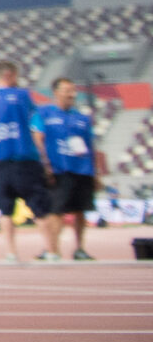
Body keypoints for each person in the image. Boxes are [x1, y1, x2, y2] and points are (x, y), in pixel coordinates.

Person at [0, 59, 50, 263]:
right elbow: (35, 119)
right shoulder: (22, 95)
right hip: (24, 157)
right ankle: (50, 249)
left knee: (5, 209)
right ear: (10, 75)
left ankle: (10, 252)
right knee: (39, 206)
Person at [36, 77, 104, 262]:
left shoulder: (82, 118)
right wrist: (45, 165)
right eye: (67, 90)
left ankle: (80, 248)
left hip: (82, 170)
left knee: (80, 210)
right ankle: (52, 249)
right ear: (56, 92)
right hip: (59, 169)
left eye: (73, 90)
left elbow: (91, 146)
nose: (71, 93)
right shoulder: (44, 114)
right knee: (56, 210)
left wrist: (96, 173)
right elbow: (38, 138)